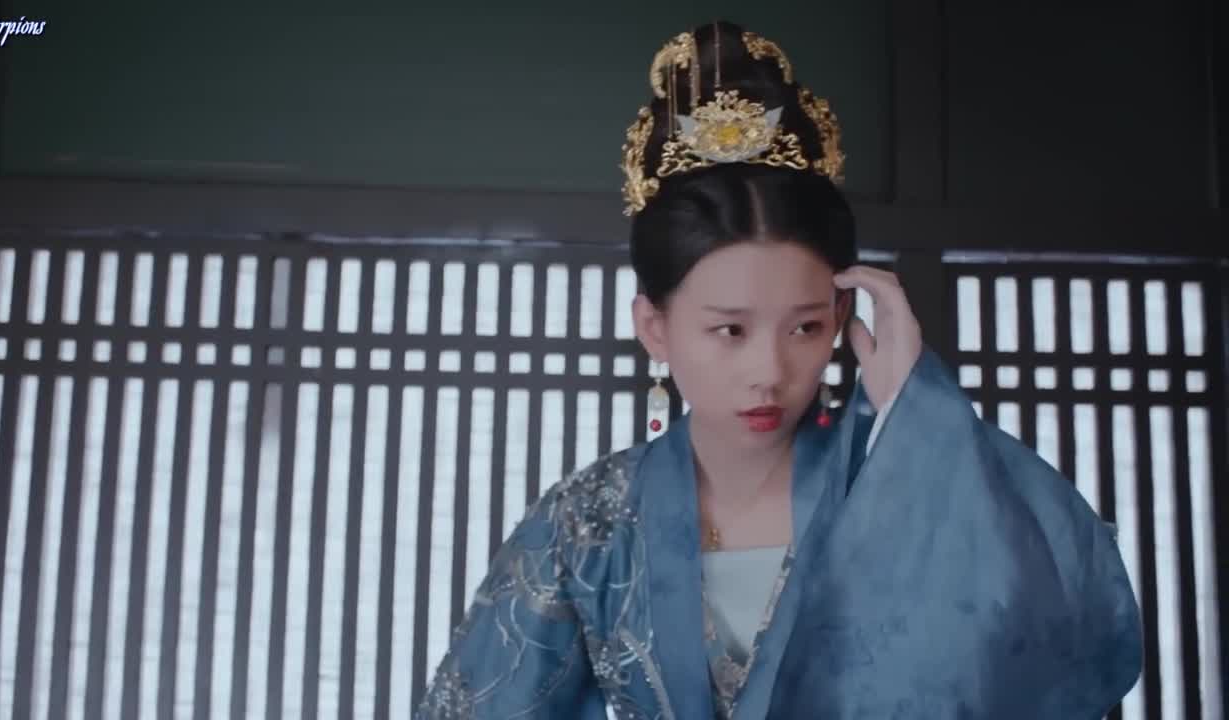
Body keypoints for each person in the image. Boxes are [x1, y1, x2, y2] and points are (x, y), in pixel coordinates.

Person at [417, 20, 1141, 719]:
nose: (769, 370)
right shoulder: (589, 521)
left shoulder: (897, 481)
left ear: (842, 315)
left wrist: (918, 412)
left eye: (806, 327)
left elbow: (1064, 634)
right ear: (655, 328)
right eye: (729, 330)